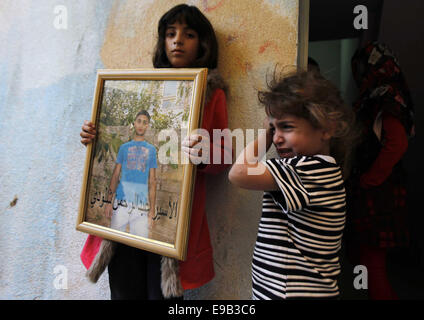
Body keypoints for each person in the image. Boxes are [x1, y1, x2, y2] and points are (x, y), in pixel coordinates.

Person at [80, 4, 230, 300]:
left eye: (188, 34)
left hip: (170, 221)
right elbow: (114, 142)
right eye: (171, 33)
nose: (177, 40)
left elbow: (224, 154)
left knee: (161, 295)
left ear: (202, 44)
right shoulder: (138, 87)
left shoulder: (211, 91)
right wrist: (94, 137)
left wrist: (204, 153)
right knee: (123, 290)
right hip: (125, 216)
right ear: (162, 41)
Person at [229, 70, 354, 299]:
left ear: (326, 128)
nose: (276, 138)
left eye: (286, 127)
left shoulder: (308, 168)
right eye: (274, 129)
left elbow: (239, 173)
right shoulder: (317, 169)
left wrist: (265, 134)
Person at [345, 42, 414, 300]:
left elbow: (397, 143)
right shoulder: (381, 95)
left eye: (362, 67)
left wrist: (368, 180)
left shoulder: (384, 96)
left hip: (379, 194)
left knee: (373, 263)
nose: (359, 74)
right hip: (377, 191)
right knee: (366, 259)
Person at [106, 110, 157, 238]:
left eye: (144, 122)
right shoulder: (124, 148)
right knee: (114, 240)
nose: (141, 124)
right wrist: (108, 202)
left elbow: (152, 181)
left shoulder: (151, 150)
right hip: (121, 202)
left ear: (147, 126)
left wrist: (151, 211)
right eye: (139, 121)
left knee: (140, 244)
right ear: (134, 123)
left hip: (141, 205)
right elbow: (116, 174)